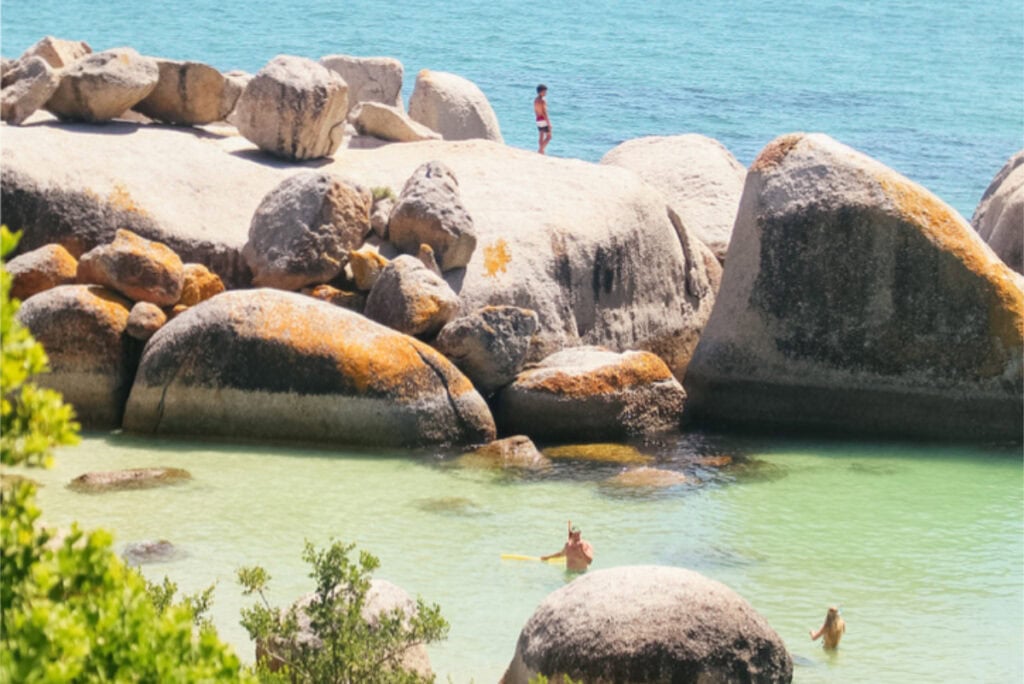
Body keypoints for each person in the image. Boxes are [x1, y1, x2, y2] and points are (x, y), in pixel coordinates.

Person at [534, 84, 552, 154]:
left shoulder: (535, 100)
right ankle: (540, 150)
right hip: (543, 119)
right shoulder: (543, 100)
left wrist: (538, 117)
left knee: (541, 135)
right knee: (549, 136)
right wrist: (549, 123)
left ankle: (542, 151)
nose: (546, 93)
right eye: (544, 91)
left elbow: (535, 110)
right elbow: (545, 112)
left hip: (538, 118)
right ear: (541, 92)